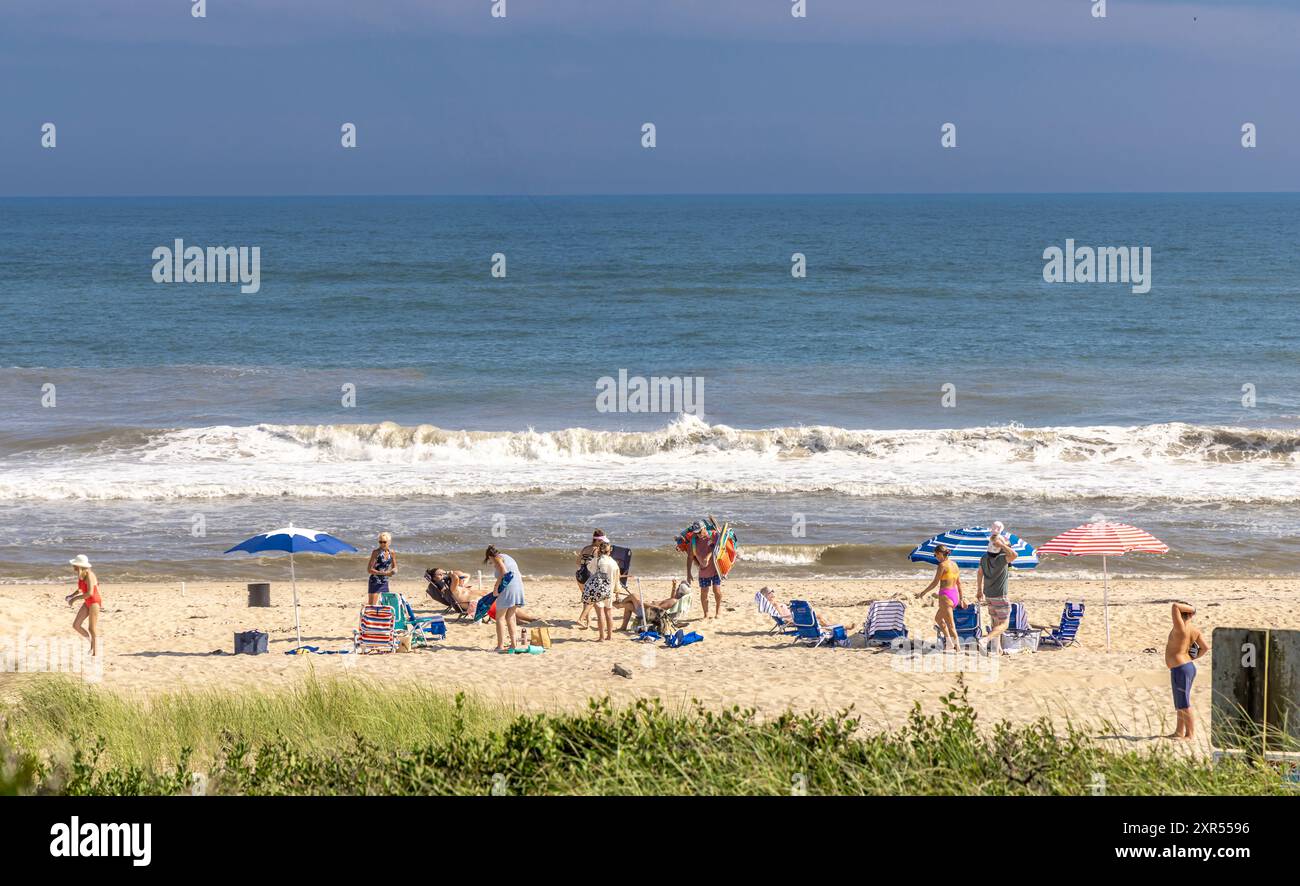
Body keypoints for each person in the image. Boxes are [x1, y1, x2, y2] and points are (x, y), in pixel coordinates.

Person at [1166, 602, 1208, 740]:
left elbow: (1175, 606)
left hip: (1181, 668)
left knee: (1184, 703)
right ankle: (1179, 732)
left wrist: (1193, 609)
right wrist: (1191, 657)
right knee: (1180, 703)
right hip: (1185, 666)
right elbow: (1205, 648)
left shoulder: (1181, 628)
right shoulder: (1194, 630)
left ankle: (1190, 734)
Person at [976, 523, 1018, 654]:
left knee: (995, 622)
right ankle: (985, 640)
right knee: (1004, 624)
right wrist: (1002, 545)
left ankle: (997, 649)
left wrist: (979, 590)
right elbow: (1014, 555)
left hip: (988, 594)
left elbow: (979, 573)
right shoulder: (1001, 559)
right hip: (1000, 595)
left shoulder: (984, 558)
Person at [916, 544, 962, 649]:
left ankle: (958, 647)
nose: (935, 557)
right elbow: (959, 583)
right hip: (954, 595)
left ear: (940, 554)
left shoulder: (942, 565)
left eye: (935, 555)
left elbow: (935, 582)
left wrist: (923, 592)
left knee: (951, 625)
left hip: (946, 596)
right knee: (938, 619)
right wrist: (962, 599)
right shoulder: (955, 564)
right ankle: (949, 642)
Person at [485, 545, 526, 652]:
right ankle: (513, 645)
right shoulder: (507, 557)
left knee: (500, 618)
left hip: (508, 588)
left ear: (490, 556)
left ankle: (500, 646)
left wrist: (496, 587)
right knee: (511, 617)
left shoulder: (498, 558)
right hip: (518, 586)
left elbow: (504, 572)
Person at [760, 586, 854, 631]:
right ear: (766, 595)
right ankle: (842, 627)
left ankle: (840, 627)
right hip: (793, 619)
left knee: (819, 619)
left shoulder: (772, 603)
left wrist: (790, 609)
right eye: (770, 591)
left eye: (772, 590)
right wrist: (794, 613)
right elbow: (783, 617)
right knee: (819, 618)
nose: (773, 592)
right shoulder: (775, 604)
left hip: (793, 617)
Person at [581, 541, 618, 641]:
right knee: (609, 613)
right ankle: (609, 636)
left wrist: (595, 556)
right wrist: (617, 592)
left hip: (599, 590)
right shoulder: (614, 563)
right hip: (609, 590)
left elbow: (590, 569)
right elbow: (616, 578)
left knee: (600, 614)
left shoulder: (597, 560)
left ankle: (602, 637)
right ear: (609, 551)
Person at [619, 579, 689, 632]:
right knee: (628, 605)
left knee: (633, 595)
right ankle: (623, 627)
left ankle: (619, 605)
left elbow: (659, 609)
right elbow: (672, 598)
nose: (677, 588)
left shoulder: (673, 601)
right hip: (651, 613)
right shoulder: (676, 600)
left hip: (649, 613)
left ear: (679, 591)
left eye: (678, 587)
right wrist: (674, 587)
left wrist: (645, 604)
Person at [66, 555, 102, 656]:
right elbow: (81, 589)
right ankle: (91, 643)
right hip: (87, 601)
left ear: (79, 565)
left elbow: (90, 593)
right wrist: (72, 595)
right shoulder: (81, 575)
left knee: (92, 628)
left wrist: (75, 599)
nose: (73, 566)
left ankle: (95, 652)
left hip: (94, 601)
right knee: (76, 625)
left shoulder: (90, 575)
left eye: (74, 564)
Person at [575, 529, 610, 630]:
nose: (604, 543)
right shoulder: (597, 550)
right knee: (592, 600)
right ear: (598, 541)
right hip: (589, 576)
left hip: (579, 575)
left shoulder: (585, 548)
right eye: (602, 541)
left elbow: (577, 562)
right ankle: (581, 619)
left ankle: (588, 622)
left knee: (586, 599)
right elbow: (599, 565)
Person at [686, 528, 723, 618]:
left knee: (716, 591)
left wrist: (708, 556)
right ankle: (706, 614)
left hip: (715, 569)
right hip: (703, 571)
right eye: (696, 532)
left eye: (699, 531)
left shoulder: (713, 535)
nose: (698, 534)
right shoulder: (693, 542)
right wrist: (688, 573)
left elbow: (718, 546)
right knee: (704, 593)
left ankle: (718, 611)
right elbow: (690, 558)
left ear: (704, 528)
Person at [367, 532, 397, 606]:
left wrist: (394, 571)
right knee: (372, 605)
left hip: (384, 581)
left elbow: (395, 567)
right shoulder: (376, 552)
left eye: (384, 542)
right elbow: (369, 570)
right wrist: (386, 573)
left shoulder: (392, 553)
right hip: (375, 581)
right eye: (380, 542)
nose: (382, 544)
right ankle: (365, 615)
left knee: (385, 605)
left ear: (389, 542)